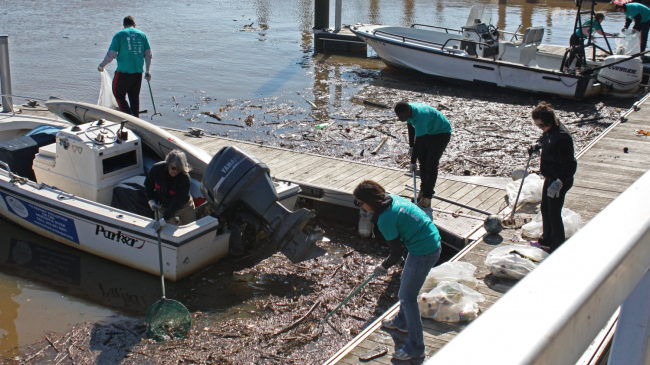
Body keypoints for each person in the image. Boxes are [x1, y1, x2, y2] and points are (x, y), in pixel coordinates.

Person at [353, 180, 441, 361]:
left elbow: (396, 253)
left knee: (407, 297)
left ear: (370, 200)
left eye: (360, 203)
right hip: (428, 240)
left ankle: (417, 348)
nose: (360, 207)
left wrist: (383, 267)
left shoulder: (386, 219)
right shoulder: (391, 199)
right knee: (406, 289)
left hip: (424, 251)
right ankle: (402, 322)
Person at [528, 102, 577, 253]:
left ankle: (557, 246)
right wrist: (537, 146)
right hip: (550, 178)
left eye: (541, 125)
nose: (540, 128)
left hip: (559, 180)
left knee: (554, 213)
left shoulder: (562, 137)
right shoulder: (551, 129)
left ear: (549, 121)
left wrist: (559, 182)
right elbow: (545, 138)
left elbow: (570, 164)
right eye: (538, 126)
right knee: (545, 208)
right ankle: (546, 239)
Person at [394, 101, 452, 208]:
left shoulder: (420, 117)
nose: (399, 118)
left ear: (407, 111)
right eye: (397, 116)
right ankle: (423, 190)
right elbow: (411, 128)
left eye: (400, 116)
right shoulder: (409, 111)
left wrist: (412, 161)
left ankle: (428, 196)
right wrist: (411, 146)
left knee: (431, 165)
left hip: (441, 134)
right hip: (428, 132)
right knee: (423, 162)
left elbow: (419, 141)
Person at [98, 16, 152, 118]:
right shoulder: (142, 35)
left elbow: (111, 55)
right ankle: (136, 121)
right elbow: (148, 54)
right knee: (134, 98)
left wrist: (102, 66)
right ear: (134, 25)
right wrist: (148, 70)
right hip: (137, 74)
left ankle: (129, 118)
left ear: (124, 25)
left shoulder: (119, 35)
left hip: (123, 74)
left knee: (118, 95)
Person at [145, 150, 196, 232]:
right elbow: (148, 185)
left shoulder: (185, 178)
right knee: (168, 231)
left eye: (178, 169)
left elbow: (178, 201)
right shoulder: (156, 169)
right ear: (168, 163)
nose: (175, 171)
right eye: (173, 168)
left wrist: (165, 218)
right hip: (163, 206)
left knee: (190, 229)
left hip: (184, 206)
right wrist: (150, 200)